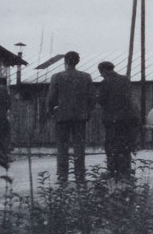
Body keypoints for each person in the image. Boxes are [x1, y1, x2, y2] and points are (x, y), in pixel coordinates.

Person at [46, 51, 97, 184]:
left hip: (62, 117)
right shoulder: (86, 77)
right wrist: (87, 111)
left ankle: (63, 176)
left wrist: (51, 112)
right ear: (76, 62)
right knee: (79, 146)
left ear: (65, 61)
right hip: (80, 117)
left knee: (62, 147)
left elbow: (51, 98)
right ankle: (80, 176)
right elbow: (92, 97)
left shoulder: (56, 77)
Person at [97, 61, 138, 181]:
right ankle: (125, 171)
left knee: (111, 145)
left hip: (112, 119)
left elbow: (102, 101)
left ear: (104, 70)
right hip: (127, 118)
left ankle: (112, 170)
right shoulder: (125, 79)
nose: (101, 75)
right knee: (125, 145)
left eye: (101, 73)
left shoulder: (105, 83)